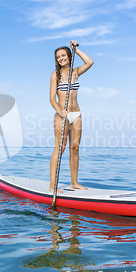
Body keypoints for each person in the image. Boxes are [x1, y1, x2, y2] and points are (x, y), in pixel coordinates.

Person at [49, 40, 94, 193]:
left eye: (63, 55)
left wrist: (76, 49)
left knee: (74, 148)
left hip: (77, 114)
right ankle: (52, 184)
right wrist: (60, 111)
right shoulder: (56, 75)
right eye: (58, 57)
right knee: (60, 148)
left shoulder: (76, 72)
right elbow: (51, 99)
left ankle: (74, 182)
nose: (61, 58)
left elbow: (89, 62)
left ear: (68, 56)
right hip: (62, 115)